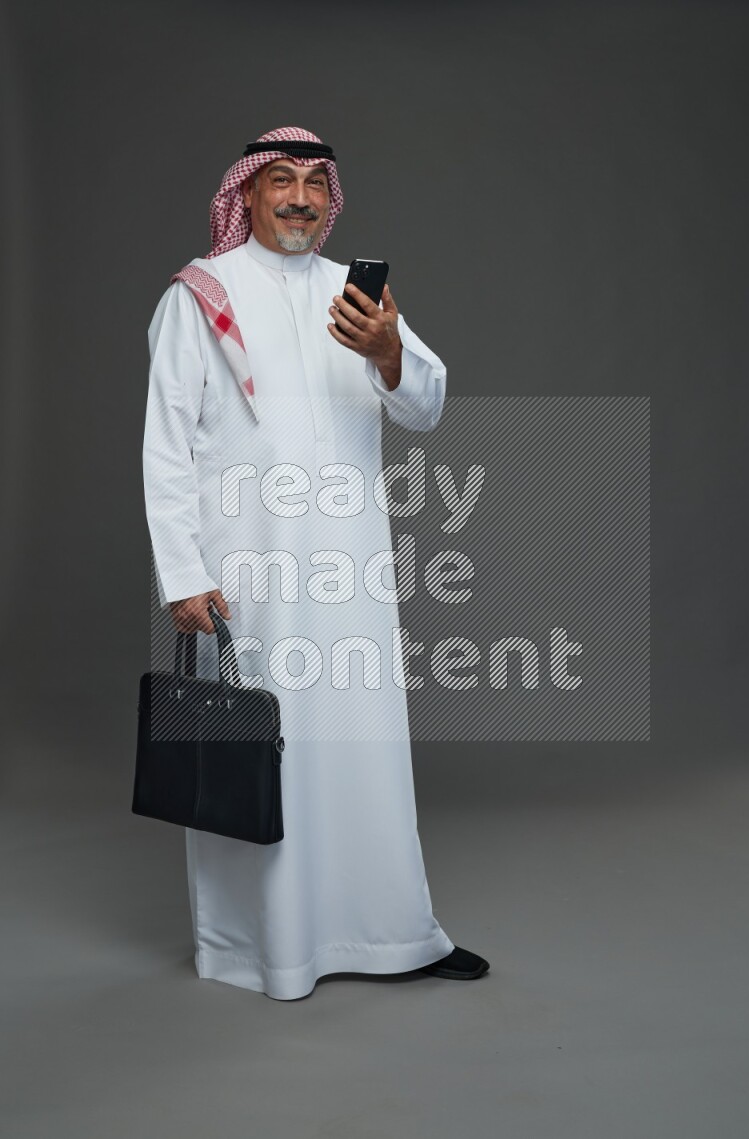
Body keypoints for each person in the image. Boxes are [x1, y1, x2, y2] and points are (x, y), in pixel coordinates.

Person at [142, 125, 489, 1000]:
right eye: (281, 181)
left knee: (362, 749)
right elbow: (166, 446)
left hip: (349, 571)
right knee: (258, 749)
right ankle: (263, 950)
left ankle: (395, 936)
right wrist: (181, 573)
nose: (299, 197)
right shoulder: (201, 294)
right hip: (246, 571)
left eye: (315, 185)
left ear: (331, 202)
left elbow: (427, 404)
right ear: (248, 194)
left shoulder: (357, 297)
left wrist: (387, 352)